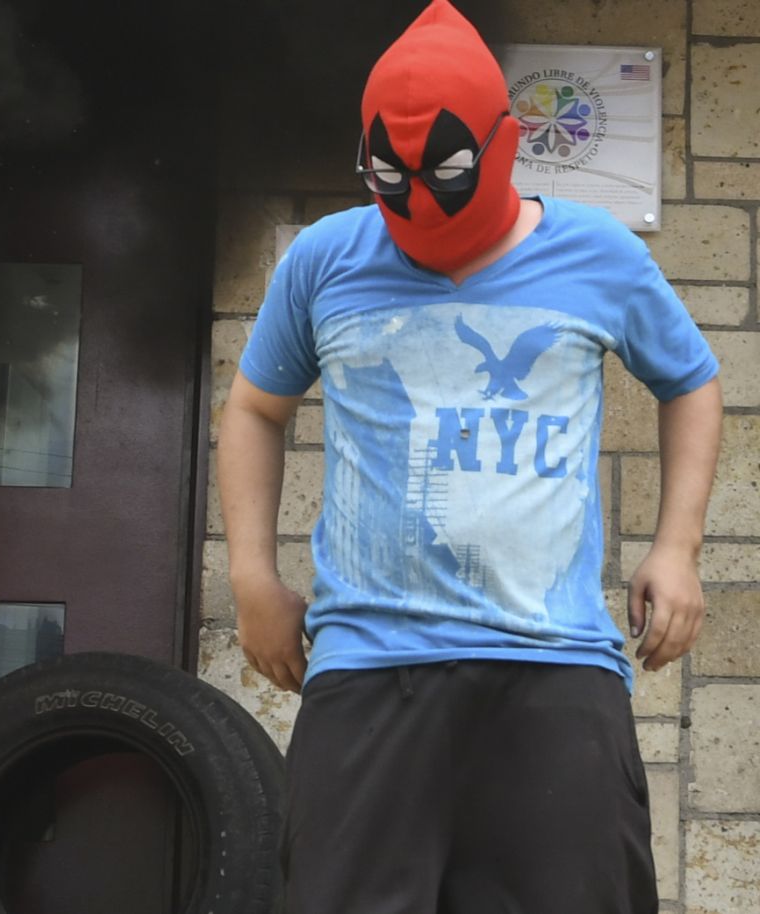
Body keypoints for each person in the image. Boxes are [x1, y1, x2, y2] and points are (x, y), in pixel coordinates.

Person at [216, 1, 723, 911]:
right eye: (389, 177)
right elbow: (255, 408)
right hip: (369, 669)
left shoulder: (598, 253)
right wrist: (252, 580)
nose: (415, 200)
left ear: (507, 142)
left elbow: (690, 381)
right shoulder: (326, 259)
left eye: (444, 174)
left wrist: (677, 546)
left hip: (555, 669)